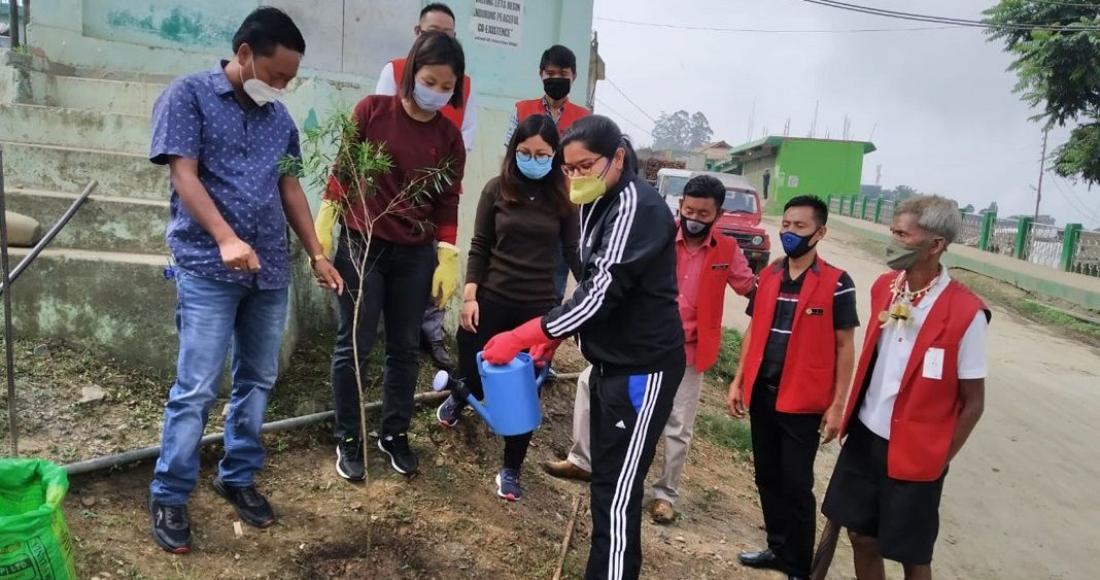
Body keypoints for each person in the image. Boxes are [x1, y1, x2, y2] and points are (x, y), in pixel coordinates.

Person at [146, 7, 343, 555]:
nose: (281, 87)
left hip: (270, 270)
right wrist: (226, 238)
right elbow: (183, 174)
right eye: (276, 75)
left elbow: (290, 188)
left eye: (289, 79)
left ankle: (237, 475)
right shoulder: (188, 96)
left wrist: (317, 253)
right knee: (197, 387)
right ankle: (169, 493)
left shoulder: (279, 119)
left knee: (257, 379)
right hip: (207, 267)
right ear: (244, 54)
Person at [481, 115, 684, 580]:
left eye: (584, 166)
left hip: (642, 370)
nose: (574, 177)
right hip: (611, 363)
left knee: (618, 492)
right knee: (606, 483)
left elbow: (598, 296)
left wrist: (523, 335)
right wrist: (553, 337)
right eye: (568, 168)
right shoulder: (597, 201)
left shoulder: (636, 207)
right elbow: (590, 285)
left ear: (617, 158)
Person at [543, 175, 756, 527]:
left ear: (718, 215)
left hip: (688, 351)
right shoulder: (659, 234)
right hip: (639, 342)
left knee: (678, 425)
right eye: (689, 210)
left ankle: (665, 495)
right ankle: (583, 461)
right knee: (587, 386)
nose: (694, 219)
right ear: (680, 206)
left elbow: (751, 289)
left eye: (704, 214)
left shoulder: (727, 251)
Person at [314, 31, 466, 480]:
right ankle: (349, 436)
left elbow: (447, 202)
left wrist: (447, 255)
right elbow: (343, 171)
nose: (437, 92)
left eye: (447, 86)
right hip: (363, 246)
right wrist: (325, 224)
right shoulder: (372, 112)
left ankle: (394, 433)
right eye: (430, 81)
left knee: (404, 348)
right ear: (411, 72)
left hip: (415, 254)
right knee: (354, 344)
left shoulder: (449, 137)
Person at [821, 195, 989, 580]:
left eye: (903, 235)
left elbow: (974, 403)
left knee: (911, 554)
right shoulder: (885, 287)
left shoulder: (966, 314)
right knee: (860, 536)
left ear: (935, 245)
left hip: (917, 453)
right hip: (866, 437)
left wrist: (937, 459)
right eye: (892, 231)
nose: (892, 241)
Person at [434, 114, 580, 501]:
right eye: (525, 152)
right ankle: (461, 396)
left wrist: (593, 292)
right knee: (474, 368)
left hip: (536, 311)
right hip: (491, 298)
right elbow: (480, 245)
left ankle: (511, 468)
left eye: (542, 154)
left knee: (521, 391)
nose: (532, 160)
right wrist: (470, 297)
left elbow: (572, 253)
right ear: (514, 151)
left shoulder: (565, 198)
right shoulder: (496, 189)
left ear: (555, 155)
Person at [726, 195, 859, 580]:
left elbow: (844, 346)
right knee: (767, 476)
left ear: (820, 232)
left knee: (796, 484)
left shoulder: (837, 283)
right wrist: (738, 380)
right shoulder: (768, 275)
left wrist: (837, 405)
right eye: (786, 225)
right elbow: (754, 329)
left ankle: (799, 564)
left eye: (799, 227)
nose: (790, 233)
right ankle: (778, 548)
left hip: (803, 402)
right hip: (763, 393)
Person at [374, 2, 476, 371]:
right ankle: (385, 333)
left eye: (447, 34)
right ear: (417, 34)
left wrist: (438, 171)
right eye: (432, 32)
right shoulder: (394, 71)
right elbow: (381, 131)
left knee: (434, 269)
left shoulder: (464, 84)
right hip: (392, 196)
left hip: (438, 192)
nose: (438, 91)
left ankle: (430, 334)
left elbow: (467, 137)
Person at [505, 44, 591, 300]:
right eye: (550, 73)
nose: (556, 79)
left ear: (574, 76)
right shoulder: (521, 110)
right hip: (523, 207)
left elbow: (587, 165)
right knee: (514, 277)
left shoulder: (584, 118)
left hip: (561, 209)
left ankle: (547, 322)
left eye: (563, 73)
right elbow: (509, 157)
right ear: (541, 74)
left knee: (552, 287)